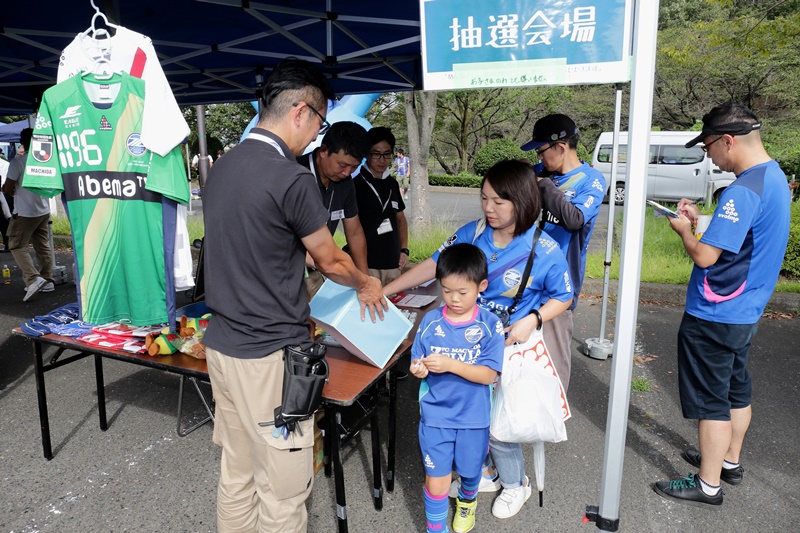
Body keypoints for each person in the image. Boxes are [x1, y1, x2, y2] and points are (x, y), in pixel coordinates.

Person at [201, 58, 387, 532]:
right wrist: (366, 282)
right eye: (320, 125)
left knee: (237, 473)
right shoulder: (292, 176)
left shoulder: (223, 167)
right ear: (301, 111)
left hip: (221, 346)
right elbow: (329, 260)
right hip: (268, 356)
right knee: (283, 491)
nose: (316, 137)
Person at [384, 159, 573, 519]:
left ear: (522, 201)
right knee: (471, 414)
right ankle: (484, 472)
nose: (488, 207)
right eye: (484, 198)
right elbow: (434, 265)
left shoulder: (544, 249)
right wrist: (385, 290)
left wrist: (533, 319)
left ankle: (515, 483)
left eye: (499, 201)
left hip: (510, 344)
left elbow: (563, 296)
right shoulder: (472, 233)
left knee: (500, 423)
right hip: (464, 342)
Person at [653, 102, 790, 507]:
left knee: (712, 402)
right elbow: (742, 237)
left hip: (715, 312)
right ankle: (729, 461)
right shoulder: (773, 177)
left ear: (728, 140)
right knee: (736, 390)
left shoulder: (741, 190)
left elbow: (704, 257)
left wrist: (684, 230)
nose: (708, 155)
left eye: (708, 146)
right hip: (746, 310)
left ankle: (707, 484)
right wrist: (701, 219)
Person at [409, 243, 505, 533]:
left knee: (470, 471)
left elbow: (488, 375)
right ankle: (435, 528)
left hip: (473, 418)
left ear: (481, 286)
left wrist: (450, 364)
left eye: (463, 292)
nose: (454, 299)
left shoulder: (490, 325)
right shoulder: (430, 321)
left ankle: (467, 502)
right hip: (435, 417)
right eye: (447, 290)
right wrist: (419, 369)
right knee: (436, 478)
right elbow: (417, 360)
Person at [520, 113, 606, 392]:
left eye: (541, 150)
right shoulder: (538, 172)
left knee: (553, 363)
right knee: (520, 358)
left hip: (559, 287)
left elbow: (574, 219)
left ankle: (552, 415)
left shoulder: (591, 181)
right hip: (523, 280)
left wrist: (544, 185)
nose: (539, 157)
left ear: (560, 146)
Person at [297, 121, 371, 296]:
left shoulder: (346, 183)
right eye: (342, 165)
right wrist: (328, 262)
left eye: (354, 167)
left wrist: (365, 279)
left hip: (321, 265)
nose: (347, 173)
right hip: (289, 268)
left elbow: (354, 233)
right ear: (324, 151)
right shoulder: (295, 174)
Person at [1, 127, 53, 300]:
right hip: (43, 209)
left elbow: (8, 187)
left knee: (15, 245)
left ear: (22, 142)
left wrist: (7, 190)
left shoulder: (18, 162)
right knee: (42, 245)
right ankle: (47, 280)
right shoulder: (45, 161)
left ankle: (33, 279)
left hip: (25, 211)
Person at [354, 127, 409, 285]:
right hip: (366, 265)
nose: (382, 160)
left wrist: (404, 250)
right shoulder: (355, 185)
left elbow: (401, 219)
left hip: (393, 264)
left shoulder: (392, 184)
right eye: (376, 154)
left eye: (386, 154)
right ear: (366, 154)